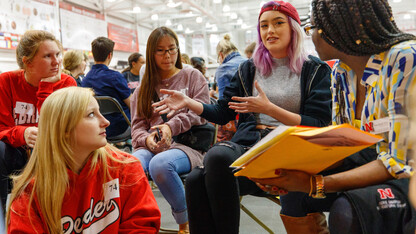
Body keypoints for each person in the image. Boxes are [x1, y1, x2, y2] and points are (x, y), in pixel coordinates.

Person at [153, 1, 332, 233]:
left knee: (209, 165)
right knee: (199, 177)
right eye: (264, 25)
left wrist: (270, 110)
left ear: (293, 28)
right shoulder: (248, 68)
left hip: (290, 151)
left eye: (278, 23)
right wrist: (190, 103)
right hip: (251, 148)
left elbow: (318, 124)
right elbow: (222, 113)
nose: (270, 31)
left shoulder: (314, 69)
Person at [250, 0, 416, 233]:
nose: (311, 35)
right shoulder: (341, 71)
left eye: (313, 27)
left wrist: (315, 183)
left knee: (347, 209)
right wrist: (284, 168)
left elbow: (401, 163)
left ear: (337, 26)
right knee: (294, 194)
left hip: (408, 175)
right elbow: (341, 142)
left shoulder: (405, 58)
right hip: (372, 158)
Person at [6, 87, 161, 233]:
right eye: (91, 115)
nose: (106, 122)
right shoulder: (30, 192)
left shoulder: (125, 167)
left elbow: (143, 224)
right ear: (64, 129)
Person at [130, 26, 210, 234]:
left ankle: (186, 222)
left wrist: (170, 126)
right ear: (151, 53)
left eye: (172, 49)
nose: (167, 55)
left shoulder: (193, 76)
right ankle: (138, 223)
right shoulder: (143, 88)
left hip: (187, 143)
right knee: (131, 165)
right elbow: (137, 126)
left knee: (160, 165)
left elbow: (200, 113)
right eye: (160, 50)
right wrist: (147, 140)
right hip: (153, 145)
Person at [0, 30, 76, 211]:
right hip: (16, 150)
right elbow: (2, 127)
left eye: (57, 54)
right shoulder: (6, 81)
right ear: (27, 62)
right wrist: (23, 133)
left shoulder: (67, 83)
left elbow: (58, 127)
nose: (57, 61)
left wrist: (46, 88)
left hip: (54, 150)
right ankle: (4, 218)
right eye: (47, 56)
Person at [82, 37, 132, 139]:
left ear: (93, 54)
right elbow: (133, 105)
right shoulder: (115, 77)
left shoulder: (85, 79)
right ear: (110, 55)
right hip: (120, 128)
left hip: (96, 129)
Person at [214, 34, 246, 141]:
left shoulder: (223, 69)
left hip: (236, 120)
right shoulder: (248, 62)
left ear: (220, 55)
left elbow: (224, 104)